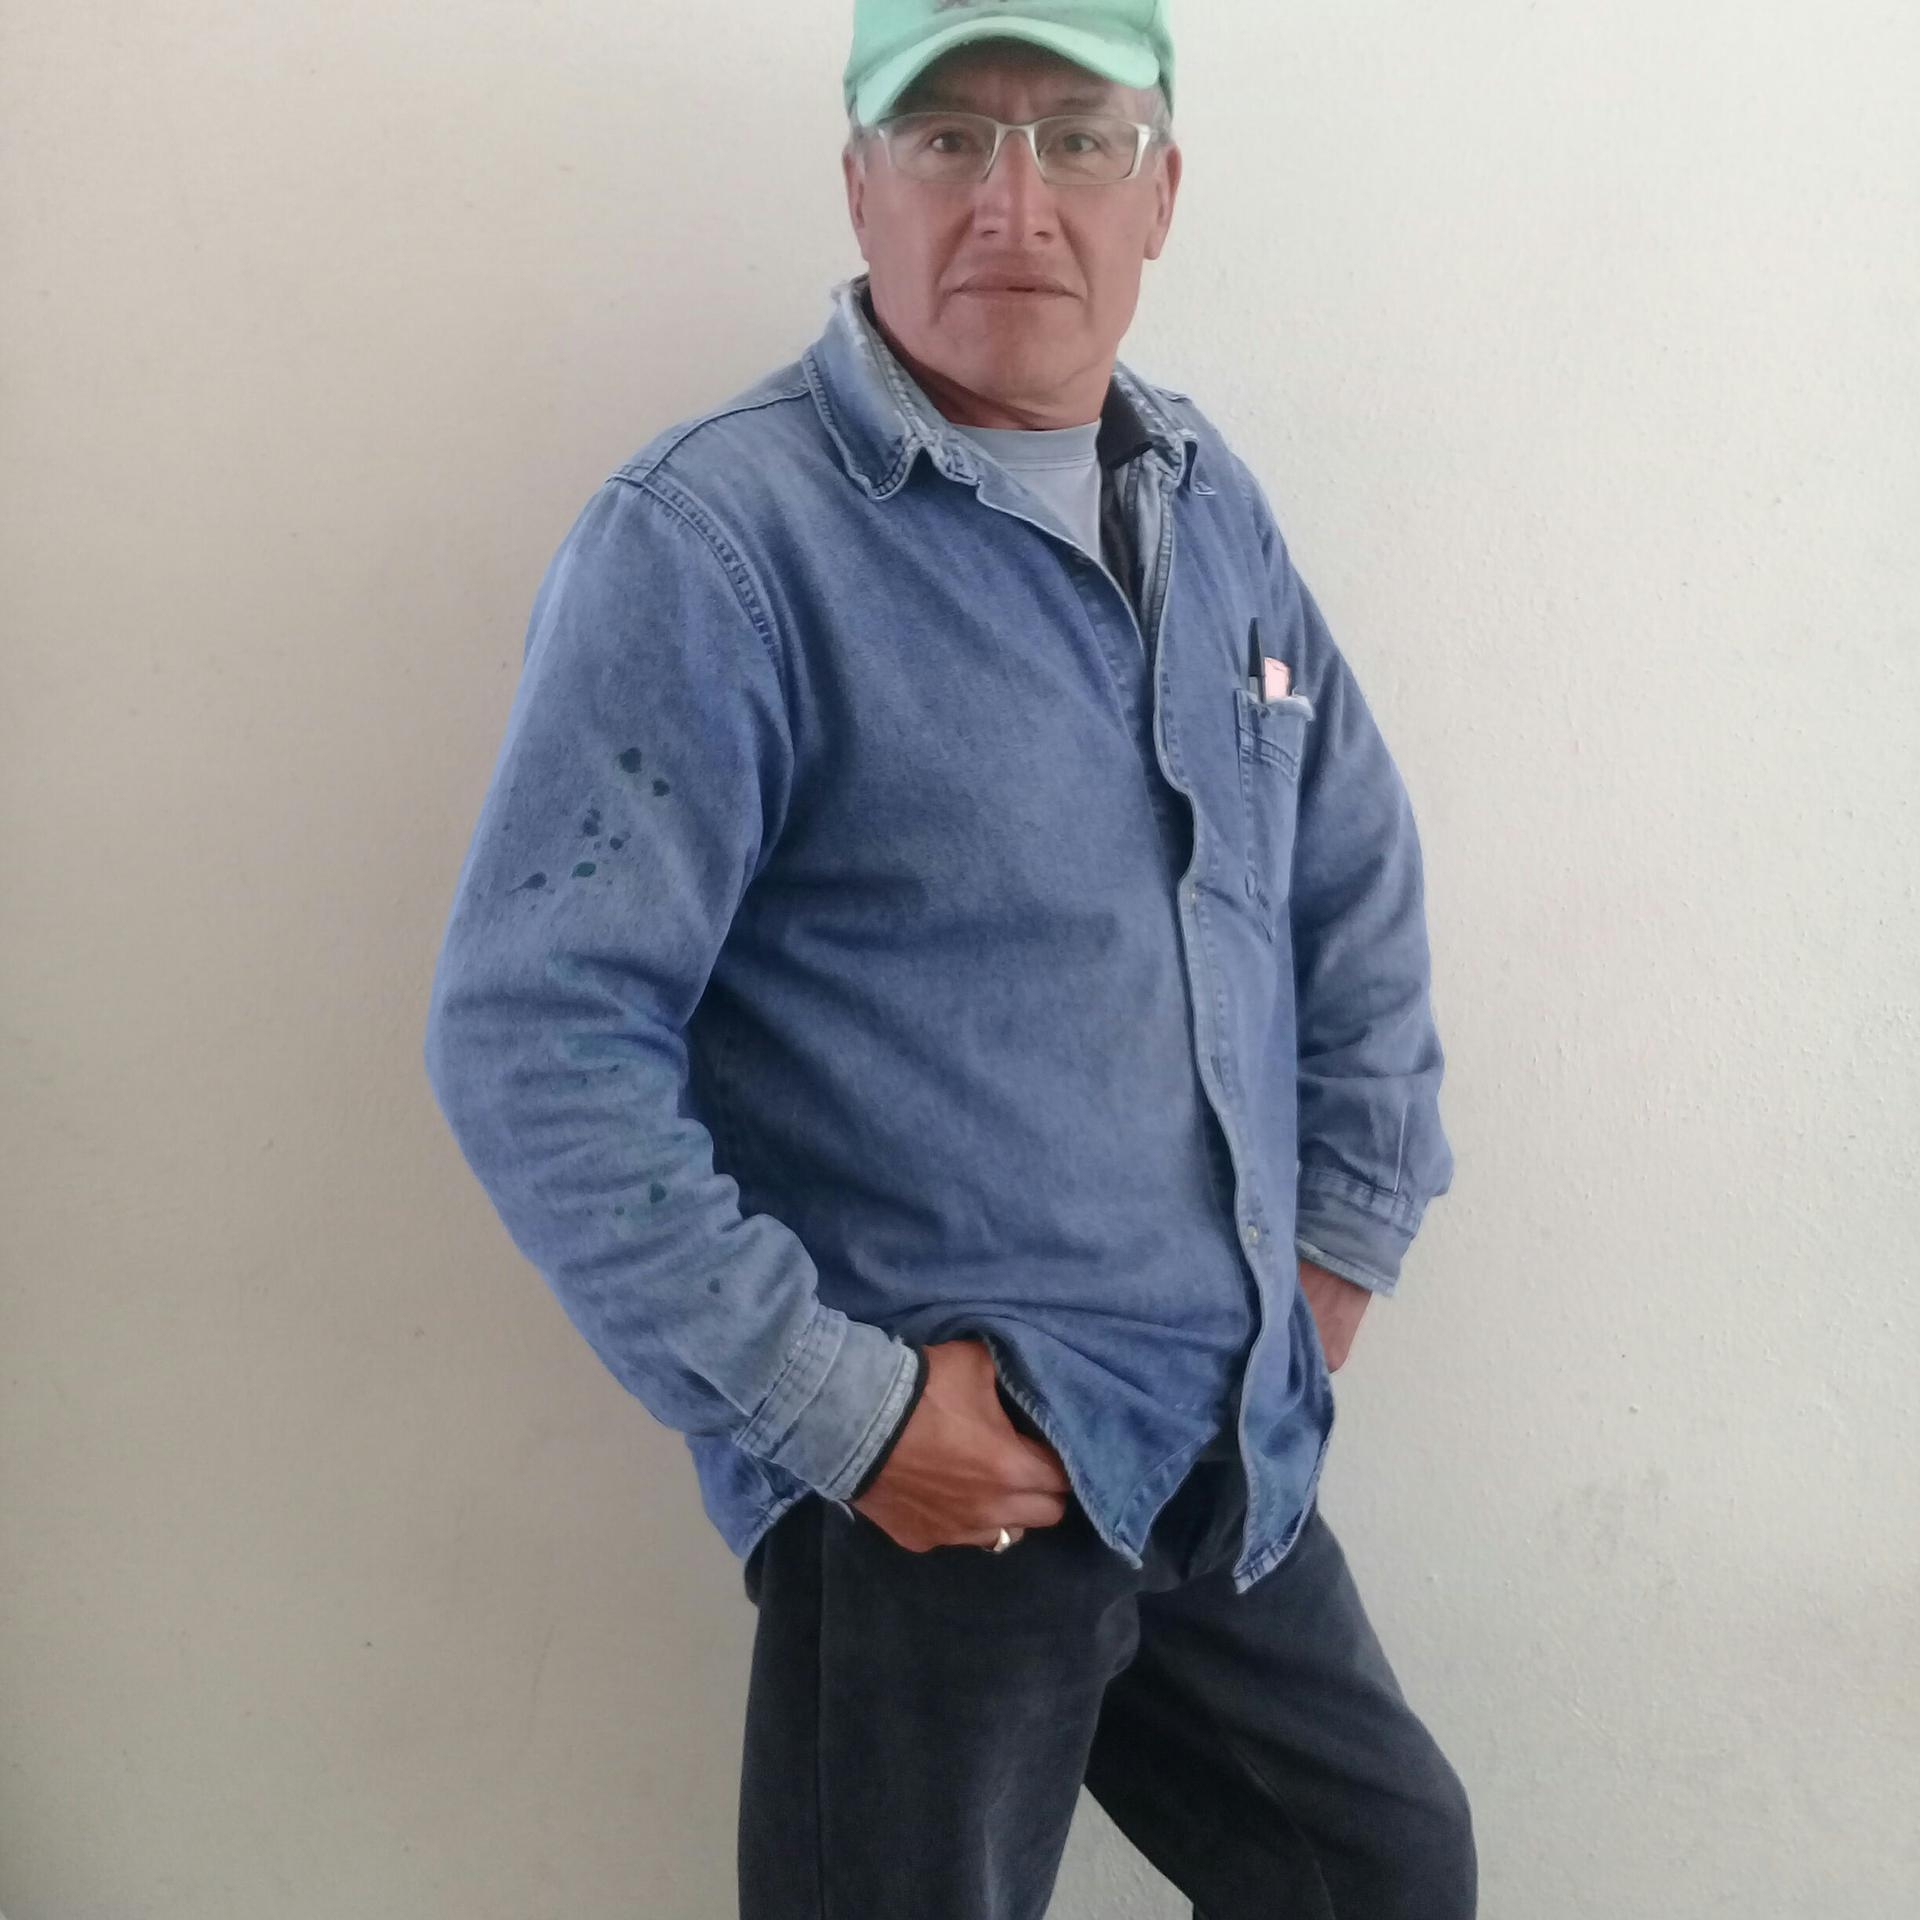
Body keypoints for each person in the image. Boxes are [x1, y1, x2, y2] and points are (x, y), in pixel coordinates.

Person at [422, 2, 1474, 1912]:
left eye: (1077, 137)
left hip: (1219, 1439)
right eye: (948, 138)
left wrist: (1338, 1243)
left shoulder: (1206, 505)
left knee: (1383, 1870)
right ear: (860, 185)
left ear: (1161, 192)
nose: (1016, 201)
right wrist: (844, 1409)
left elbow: (1352, 879)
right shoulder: (714, 545)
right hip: (942, 1492)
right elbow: (535, 1031)